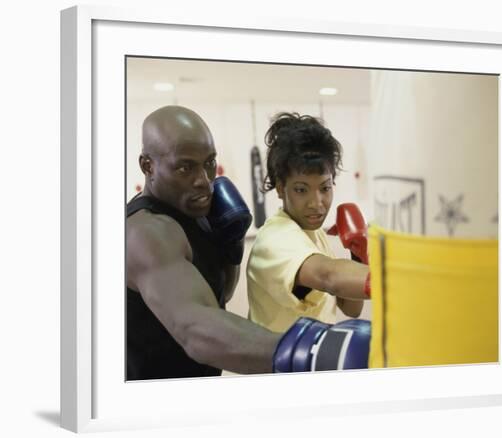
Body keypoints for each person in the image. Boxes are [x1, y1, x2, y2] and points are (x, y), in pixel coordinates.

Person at [126, 105, 372, 379]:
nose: (204, 181)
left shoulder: (195, 213)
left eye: (209, 163)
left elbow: (219, 296)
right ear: (148, 166)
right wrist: (313, 351)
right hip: (153, 395)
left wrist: (231, 248)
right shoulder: (146, 232)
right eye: (185, 167)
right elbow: (196, 327)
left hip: (198, 383)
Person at [246, 112, 371, 333]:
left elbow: (350, 308)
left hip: (312, 360)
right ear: (280, 188)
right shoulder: (275, 239)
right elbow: (329, 276)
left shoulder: (312, 231)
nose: (317, 203)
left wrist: (358, 253)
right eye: (301, 190)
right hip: (279, 365)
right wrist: (402, 278)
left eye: (325, 188)